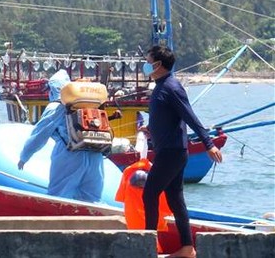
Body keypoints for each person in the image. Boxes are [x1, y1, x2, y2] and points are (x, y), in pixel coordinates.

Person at [139, 45, 223, 258]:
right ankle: (187, 248)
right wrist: (151, 130)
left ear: (158, 65)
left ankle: (149, 246)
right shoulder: (160, 86)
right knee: (175, 198)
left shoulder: (171, 87)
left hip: (172, 152)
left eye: (148, 61)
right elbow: (168, 118)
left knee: (150, 193)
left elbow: (189, 117)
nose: (145, 65)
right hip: (169, 150)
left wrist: (208, 143)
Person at [17, 69, 120, 202]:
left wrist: (24, 156)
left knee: (59, 198)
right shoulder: (92, 105)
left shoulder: (56, 107)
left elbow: (40, 134)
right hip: (95, 155)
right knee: (92, 200)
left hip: (69, 154)